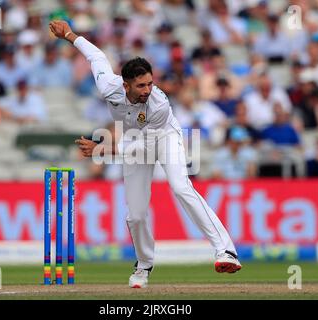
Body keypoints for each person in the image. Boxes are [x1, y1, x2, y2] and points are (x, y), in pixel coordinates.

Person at [49, 20, 241, 289]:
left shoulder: (158, 104)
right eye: (141, 86)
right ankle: (143, 265)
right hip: (132, 139)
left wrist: (102, 149)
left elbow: (144, 146)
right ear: (125, 85)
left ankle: (225, 251)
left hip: (164, 136)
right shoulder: (108, 86)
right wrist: (69, 35)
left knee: (181, 186)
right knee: (136, 214)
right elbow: (96, 56)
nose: (147, 90)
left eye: (150, 84)